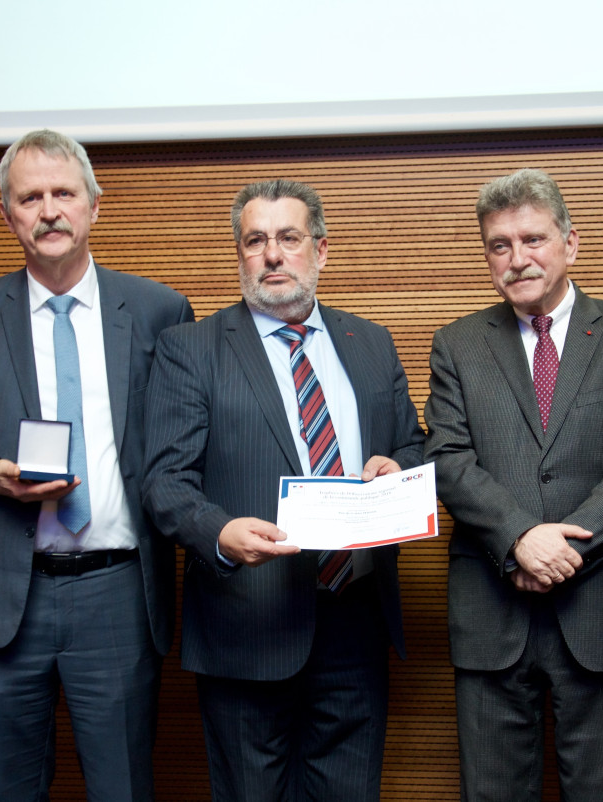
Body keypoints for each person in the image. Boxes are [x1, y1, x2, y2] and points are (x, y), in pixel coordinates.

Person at [0, 129, 193, 801]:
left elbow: (190, 443)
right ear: (9, 215)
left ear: (94, 205)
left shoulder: (160, 311)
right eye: (29, 197)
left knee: (123, 789)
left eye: (63, 192)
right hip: (8, 596)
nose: (49, 210)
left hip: (119, 594)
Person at [142, 179, 425, 801]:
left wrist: (396, 467)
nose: (272, 254)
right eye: (255, 240)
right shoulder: (192, 349)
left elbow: (415, 445)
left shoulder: (370, 343)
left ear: (320, 250)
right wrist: (216, 532)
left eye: (288, 238)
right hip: (248, 623)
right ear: (240, 254)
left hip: (355, 620)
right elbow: (164, 479)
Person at [424, 168, 603, 801]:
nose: (517, 258)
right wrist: (518, 540)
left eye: (532, 239)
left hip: (601, 611)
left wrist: (563, 552)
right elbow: (448, 458)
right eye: (498, 245)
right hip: (492, 612)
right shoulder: (457, 345)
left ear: (570, 243)